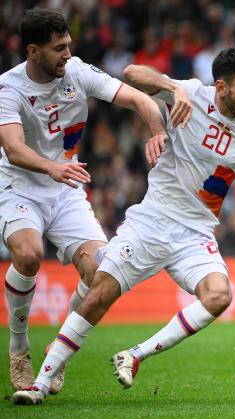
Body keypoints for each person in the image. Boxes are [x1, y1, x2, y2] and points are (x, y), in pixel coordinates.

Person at [12, 47, 235, 405]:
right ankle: (41, 382)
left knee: (219, 295)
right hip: (152, 222)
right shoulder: (192, 93)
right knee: (100, 292)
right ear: (221, 87)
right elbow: (131, 73)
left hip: (195, 235)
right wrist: (175, 90)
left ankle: (135, 354)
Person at [0, 9, 167, 394]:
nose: (67, 53)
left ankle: (55, 353)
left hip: (65, 188)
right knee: (28, 255)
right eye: (58, 48)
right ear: (32, 50)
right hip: (20, 185)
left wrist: (156, 131)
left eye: (68, 44)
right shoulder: (9, 90)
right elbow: (13, 148)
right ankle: (18, 348)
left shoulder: (77, 71)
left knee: (101, 276)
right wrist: (52, 168)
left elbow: (140, 100)